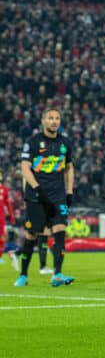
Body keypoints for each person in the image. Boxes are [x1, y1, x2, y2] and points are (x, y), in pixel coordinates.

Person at [15, 108, 75, 287]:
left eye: (57, 118)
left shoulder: (65, 143)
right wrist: (37, 188)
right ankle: (23, 275)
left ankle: (57, 274)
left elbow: (69, 167)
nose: (54, 121)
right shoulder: (33, 142)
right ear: (43, 121)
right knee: (32, 235)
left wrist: (69, 192)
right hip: (36, 196)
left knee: (60, 231)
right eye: (50, 118)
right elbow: (25, 168)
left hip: (57, 196)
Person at [0, 169, 17, 268]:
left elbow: (8, 205)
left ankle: (0, 257)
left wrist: (12, 217)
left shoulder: (4, 189)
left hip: (1, 217)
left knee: (2, 237)